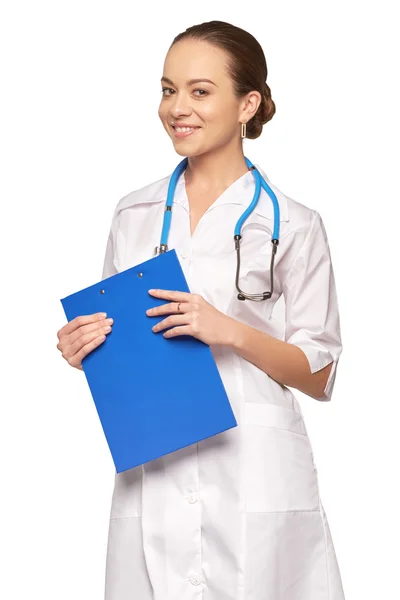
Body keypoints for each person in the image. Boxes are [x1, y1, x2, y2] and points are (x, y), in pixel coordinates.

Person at [57, 19, 345, 600]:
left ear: (248, 104)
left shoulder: (293, 223)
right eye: (168, 89)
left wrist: (229, 331)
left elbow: (320, 375)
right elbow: (124, 351)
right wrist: (81, 347)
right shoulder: (133, 213)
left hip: (254, 468)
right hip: (154, 461)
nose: (177, 108)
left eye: (200, 90)